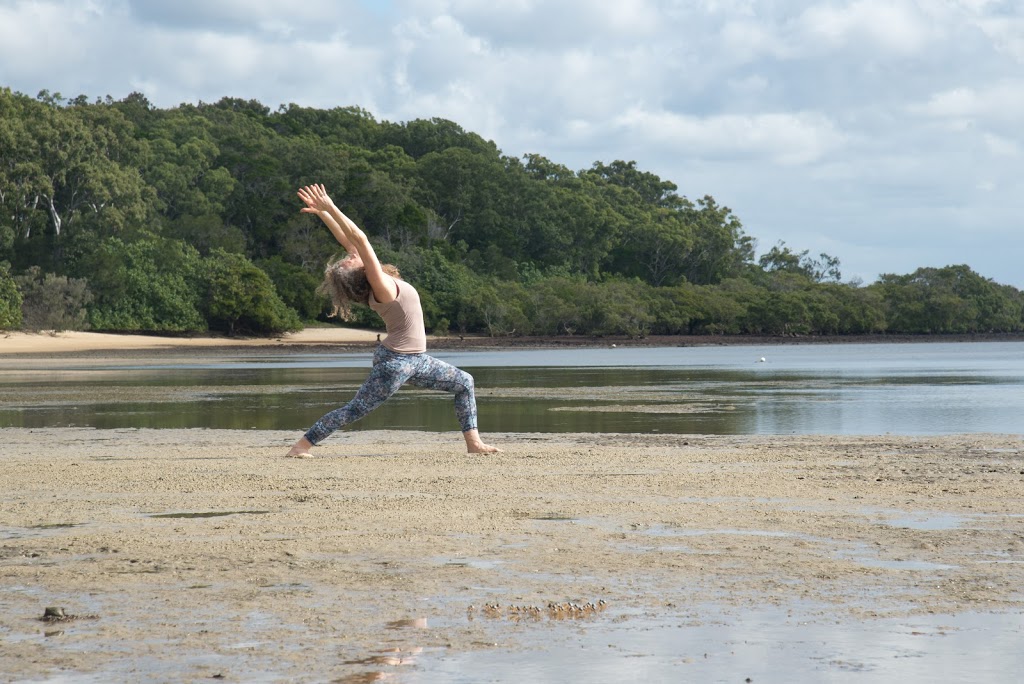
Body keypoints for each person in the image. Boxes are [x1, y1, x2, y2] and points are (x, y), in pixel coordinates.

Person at [285, 184, 501, 457]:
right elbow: (360, 240)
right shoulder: (382, 288)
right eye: (348, 261)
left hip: (419, 360)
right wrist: (332, 207)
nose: (349, 256)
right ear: (358, 275)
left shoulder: (380, 281)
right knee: (355, 409)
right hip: (395, 364)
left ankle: (474, 443)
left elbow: (348, 240)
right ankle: (301, 446)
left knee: (465, 383)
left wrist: (322, 214)